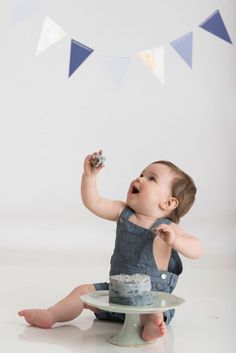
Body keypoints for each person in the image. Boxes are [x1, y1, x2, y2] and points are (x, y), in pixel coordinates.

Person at [18, 150, 203, 342]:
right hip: (115, 296)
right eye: (141, 174)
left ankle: (151, 326)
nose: (139, 179)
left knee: (154, 311)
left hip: (148, 300)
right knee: (83, 292)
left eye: (151, 178)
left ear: (169, 202)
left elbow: (197, 250)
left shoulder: (169, 230)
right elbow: (94, 202)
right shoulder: (123, 212)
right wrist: (89, 177)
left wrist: (174, 241)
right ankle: (52, 315)